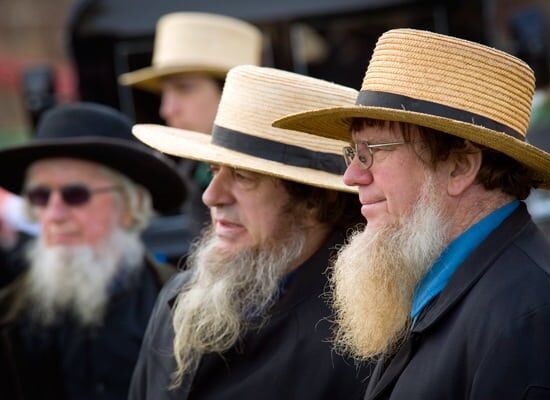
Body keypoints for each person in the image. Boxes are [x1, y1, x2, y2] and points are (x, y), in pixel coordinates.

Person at [273, 29, 550, 399]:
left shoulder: (530, 316)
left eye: (370, 152)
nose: (352, 176)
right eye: (353, 153)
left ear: (459, 167)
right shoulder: (455, 282)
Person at [128, 65, 369, 399]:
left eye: (243, 176)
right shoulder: (180, 296)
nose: (211, 195)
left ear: (315, 201)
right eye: (213, 169)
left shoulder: (358, 340)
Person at [0, 102, 187, 399]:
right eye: (40, 196)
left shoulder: (186, 313)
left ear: (128, 206)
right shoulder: (9, 317)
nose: (54, 213)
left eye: (75, 194)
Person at [120, 12, 263, 232]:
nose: (167, 110)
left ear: (234, 93)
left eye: (184, 88)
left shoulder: (277, 177)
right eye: (163, 94)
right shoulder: (183, 178)